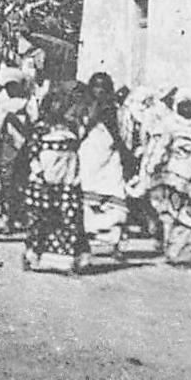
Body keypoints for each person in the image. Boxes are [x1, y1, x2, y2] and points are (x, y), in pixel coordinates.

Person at [146, 98, 191, 268]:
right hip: (177, 179)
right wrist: (153, 167)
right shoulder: (172, 126)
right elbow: (161, 149)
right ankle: (176, 253)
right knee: (178, 214)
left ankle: (183, 253)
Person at [19, 91, 88, 273]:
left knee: (67, 220)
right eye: (54, 104)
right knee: (40, 222)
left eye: (61, 104)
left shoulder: (72, 127)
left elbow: (78, 153)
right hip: (44, 182)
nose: (58, 107)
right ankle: (32, 256)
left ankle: (66, 262)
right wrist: (39, 173)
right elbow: (32, 153)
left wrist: (76, 176)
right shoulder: (40, 128)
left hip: (67, 181)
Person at [78, 72, 134, 258]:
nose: (99, 90)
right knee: (89, 200)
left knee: (114, 198)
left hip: (109, 156)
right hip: (89, 157)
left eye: (103, 86)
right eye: (96, 86)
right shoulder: (85, 108)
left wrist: (124, 154)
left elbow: (117, 134)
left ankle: (116, 242)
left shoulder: (113, 109)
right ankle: (89, 239)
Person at [0, 77, 34, 232]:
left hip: (23, 147)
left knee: (21, 183)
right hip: (8, 146)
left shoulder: (28, 103)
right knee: (7, 183)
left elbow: (32, 122)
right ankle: (7, 217)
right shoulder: (2, 103)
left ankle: (17, 217)